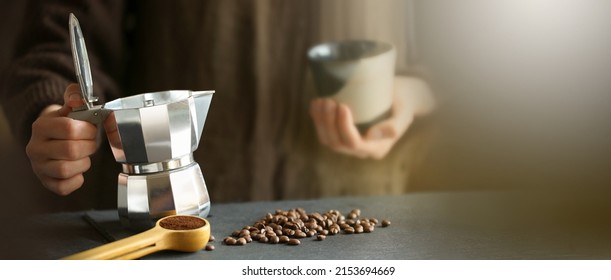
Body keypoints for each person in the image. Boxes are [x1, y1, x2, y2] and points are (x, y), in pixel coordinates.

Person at [0, 0, 434, 212]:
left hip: (367, 211)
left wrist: (418, 91)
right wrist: (53, 116)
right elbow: (58, 30)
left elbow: (472, 49)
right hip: (166, 221)